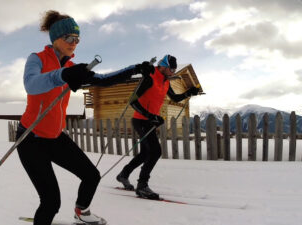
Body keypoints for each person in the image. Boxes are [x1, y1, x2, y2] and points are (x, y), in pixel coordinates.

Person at [16, 10, 154, 225]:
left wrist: (134, 69)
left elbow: (102, 80)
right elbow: (31, 84)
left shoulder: (73, 68)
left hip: (55, 136)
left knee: (91, 175)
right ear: (56, 38)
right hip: (30, 138)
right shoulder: (37, 59)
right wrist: (61, 75)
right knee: (51, 201)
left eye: (77, 39)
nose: (74, 43)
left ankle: (82, 212)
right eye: (70, 38)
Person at [116, 54, 200, 200]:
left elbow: (175, 98)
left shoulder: (166, 82)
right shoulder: (150, 77)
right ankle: (142, 186)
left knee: (145, 154)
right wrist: (150, 116)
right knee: (155, 152)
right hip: (141, 120)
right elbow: (133, 100)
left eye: (174, 70)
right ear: (163, 66)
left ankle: (123, 175)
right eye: (171, 69)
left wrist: (188, 93)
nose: (173, 72)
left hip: (150, 121)